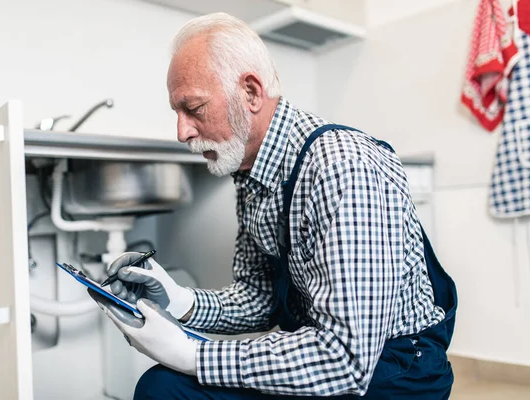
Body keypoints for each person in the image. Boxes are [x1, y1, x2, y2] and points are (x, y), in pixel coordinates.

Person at [89, 12, 457, 400]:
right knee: (162, 387)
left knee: (167, 387)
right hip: (331, 353)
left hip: (393, 372)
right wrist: (179, 299)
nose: (181, 132)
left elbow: (346, 358)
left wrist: (196, 355)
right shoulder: (252, 172)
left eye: (193, 108)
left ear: (250, 92)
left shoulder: (341, 168)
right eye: (176, 113)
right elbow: (261, 298)